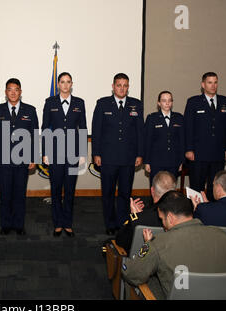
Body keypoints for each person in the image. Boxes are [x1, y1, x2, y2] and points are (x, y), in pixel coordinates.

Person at [121, 191, 226, 299]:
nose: (162, 224)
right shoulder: (222, 236)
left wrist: (147, 245)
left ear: (170, 218)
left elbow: (131, 273)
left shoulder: (158, 243)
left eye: (162, 219)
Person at [92, 73, 144, 235]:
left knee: (125, 193)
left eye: (125, 85)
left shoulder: (136, 104)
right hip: (107, 157)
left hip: (128, 158)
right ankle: (109, 223)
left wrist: (140, 154)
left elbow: (140, 132)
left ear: (128, 87)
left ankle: (122, 222)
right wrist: (96, 153)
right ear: (113, 86)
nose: (122, 88)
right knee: (107, 193)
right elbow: (96, 130)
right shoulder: (103, 104)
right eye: (119, 85)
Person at [0, 78, 38, 235]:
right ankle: (6, 224)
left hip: (23, 160)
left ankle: (18, 225)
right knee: (6, 194)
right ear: (5, 92)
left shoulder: (30, 110)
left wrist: (33, 157)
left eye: (16, 89)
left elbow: (35, 135)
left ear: (20, 92)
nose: (13, 92)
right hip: (3, 160)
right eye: (10, 89)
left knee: (19, 194)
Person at [42, 72, 87, 237]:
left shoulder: (79, 103)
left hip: (73, 153)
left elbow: (82, 128)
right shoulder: (50, 102)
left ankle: (67, 223)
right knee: (55, 189)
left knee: (69, 189)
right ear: (58, 84)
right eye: (62, 82)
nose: (65, 85)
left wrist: (82, 152)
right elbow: (45, 128)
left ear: (72, 84)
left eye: (68, 82)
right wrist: (46, 153)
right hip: (55, 152)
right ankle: (57, 223)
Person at [184, 72, 226, 201]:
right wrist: (188, 149)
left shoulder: (225, 102)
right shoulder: (193, 102)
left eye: (215, 82)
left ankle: (212, 214)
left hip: (218, 153)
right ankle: (196, 214)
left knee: (216, 187)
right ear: (203, 84)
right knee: (196, 186)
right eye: (210, 82)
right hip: (198, 154)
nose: (213, 85)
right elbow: (188, 128)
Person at [116, 171, 176, 254]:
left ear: (152, 191)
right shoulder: (184, 214)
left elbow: (120, 241)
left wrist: (135, 216)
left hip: (145, 259)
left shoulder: (140, 219)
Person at [144, 91, 184, 185]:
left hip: (173, 161)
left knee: (171, 188)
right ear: (159, 103)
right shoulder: (152, 118)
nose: (167, 103)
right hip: (156, 161)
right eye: (164, 100)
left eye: (170, 100)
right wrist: (147, 162)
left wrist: (181, 161)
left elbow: (182, 141)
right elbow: (147, 141)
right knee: (156, 188)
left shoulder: (179, 118)